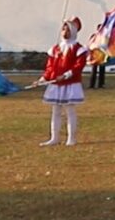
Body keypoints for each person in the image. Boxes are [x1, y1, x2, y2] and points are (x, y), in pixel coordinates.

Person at [39, 18, 88, 146]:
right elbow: (50, 67)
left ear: (73, 31)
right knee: (56, 111)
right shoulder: (55, 49)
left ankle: (71, 138)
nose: (64, 31)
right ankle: (54, 138)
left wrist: (66, 75)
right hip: (56, 84)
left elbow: (78, 66)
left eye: (67, 29)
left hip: (70, 84)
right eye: (63, 28)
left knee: (70, 110)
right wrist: (43, 78)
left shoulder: (79, 49)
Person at [88, 24, 107, 89]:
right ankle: (92, 85)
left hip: (101, 54)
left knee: (101, 70)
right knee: (94, 70)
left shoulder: (104, 37)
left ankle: (101, 84)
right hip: (95, 54)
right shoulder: (94, 36)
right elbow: (90, 44)